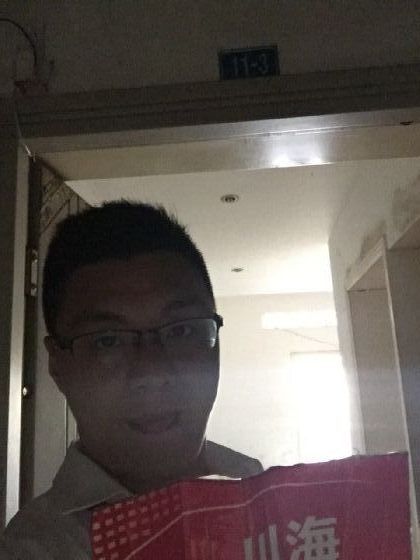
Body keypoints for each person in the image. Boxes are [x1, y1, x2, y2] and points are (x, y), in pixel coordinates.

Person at [1, 201, 262, 559]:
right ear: (58, 364)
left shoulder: (261, 490)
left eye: (181, 330)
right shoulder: (37, 549)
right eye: (108, 340)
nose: (152, 373)